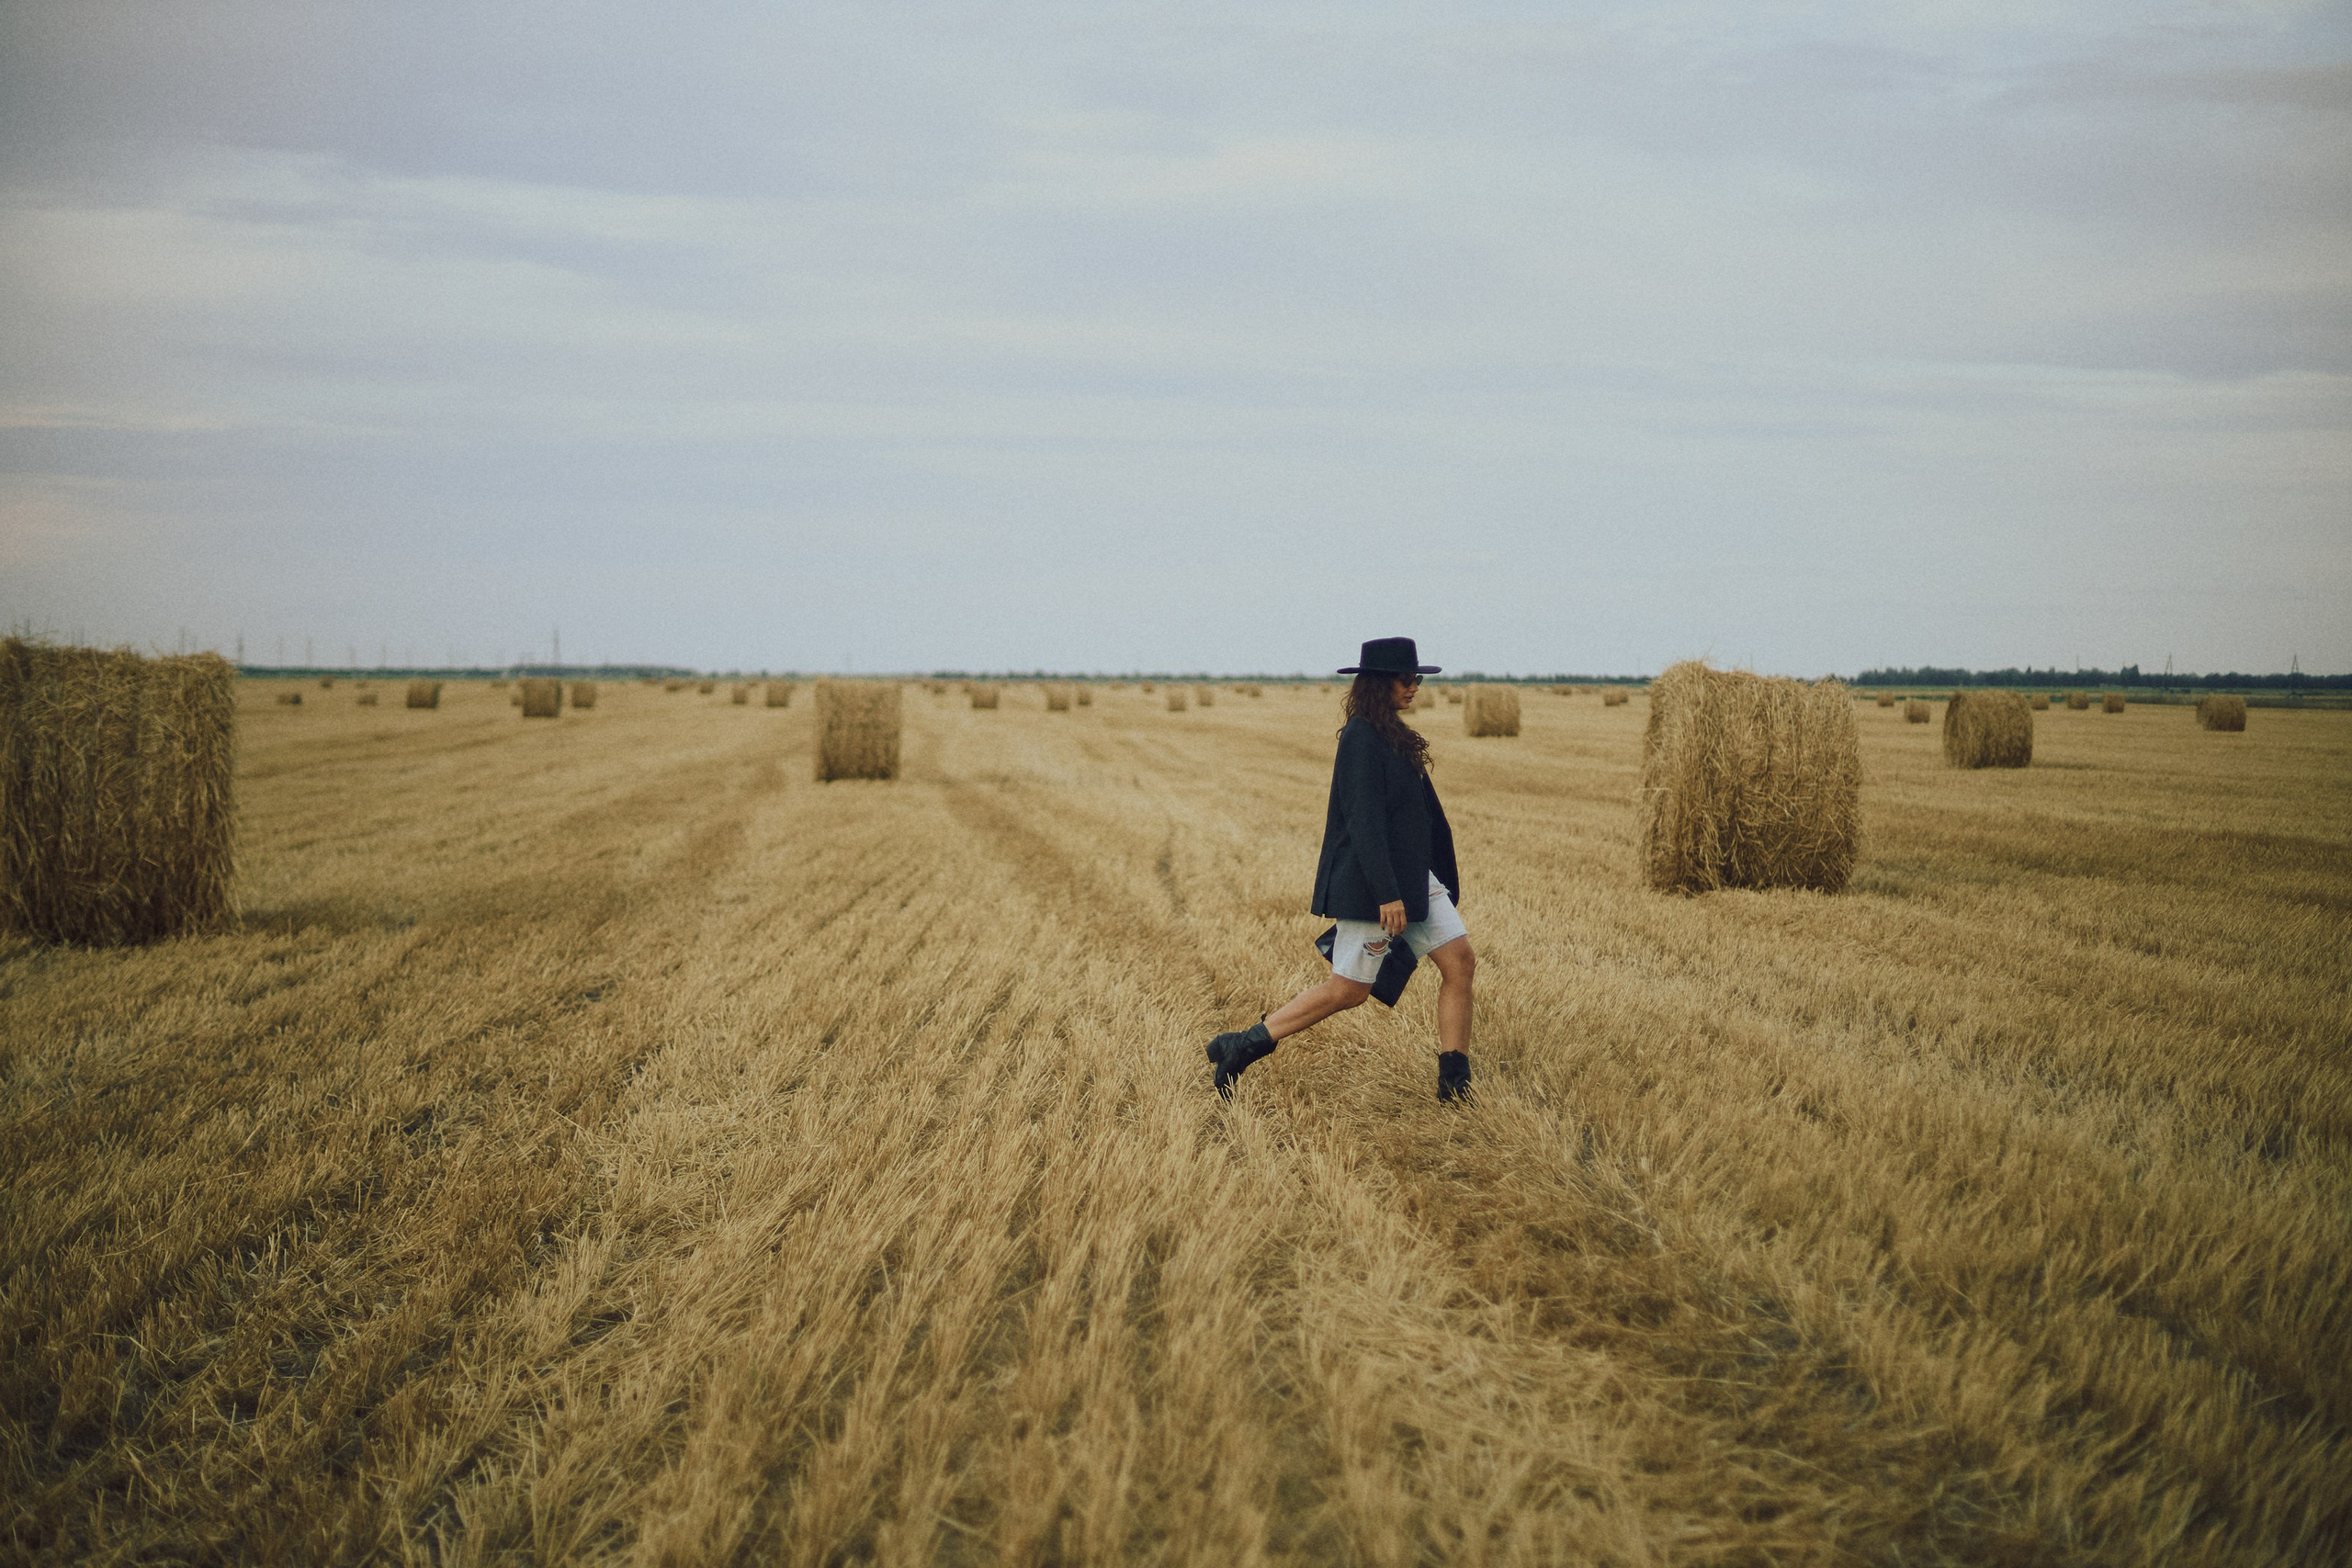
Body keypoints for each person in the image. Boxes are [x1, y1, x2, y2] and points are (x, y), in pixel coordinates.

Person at [1206, 636, 1476, 1103]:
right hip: (1380, 884)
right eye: (1405, 679)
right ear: (1378, 683)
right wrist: (1388, 892)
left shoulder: (1395, 735)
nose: (1415, 687)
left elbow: (1425, 815)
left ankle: (1455, 1086)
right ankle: (1242, 1045)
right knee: (1348, 990)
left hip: (1416, 879)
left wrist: (1443, 880)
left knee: (1461, 963)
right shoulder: (1361, 739)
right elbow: (1364, 822)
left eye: (1418, 679)